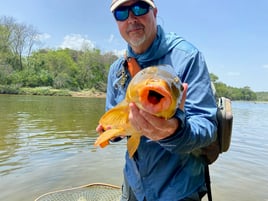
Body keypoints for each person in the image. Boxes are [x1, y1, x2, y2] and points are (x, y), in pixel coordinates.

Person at [96, 0, 218, 200]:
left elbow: (207, 127)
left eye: (139, 8)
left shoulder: (188, 57)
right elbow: (113, 114)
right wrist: (112, 133)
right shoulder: (117, 70)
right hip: (134, 184)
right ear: (116, 21)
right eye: (121, 13)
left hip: (178, 189)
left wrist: (174, 131)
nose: (131, 18)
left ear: (155, 12)